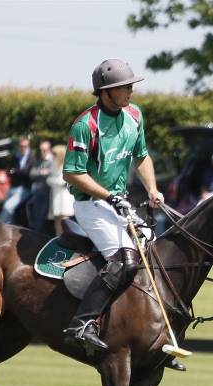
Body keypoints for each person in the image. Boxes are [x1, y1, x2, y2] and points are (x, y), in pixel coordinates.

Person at [61, 59, 164, 352]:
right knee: (123, 259)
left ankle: (148, 332)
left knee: (153, 251)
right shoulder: (85, 125)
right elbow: (72, 173)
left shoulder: (134, 115)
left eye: (131, 85)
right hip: (91, 205)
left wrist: (152, 189)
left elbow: (141, 156)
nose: (131, 91)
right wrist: (108, 195)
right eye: (125, 87)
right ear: (106, 91)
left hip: (119, 204)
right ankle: (82, 324)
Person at [0, 135, 36, 224]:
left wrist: (15, 171)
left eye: (25, 146)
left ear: (28, 146)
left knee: (8, 206)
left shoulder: (31, 158)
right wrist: (17, 172)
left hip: (24, 189)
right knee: (6, 208)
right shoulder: (16, 157)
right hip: (13, 187)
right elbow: (8, 171)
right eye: (21, 146)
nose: (23, 148)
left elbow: (26, 173)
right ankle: (7, 227)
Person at [27, 140, 55, 233]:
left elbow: (51, 174)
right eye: (40, 150)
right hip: (38, 192)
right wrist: (42, 172)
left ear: (49, 150)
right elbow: (31, 174)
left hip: (48, 193)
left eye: (44, 150)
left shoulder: (53, 161)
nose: (42, 152)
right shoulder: (38, 161)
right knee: (36, 216)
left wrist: (39, 173)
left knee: (41, 217)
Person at [47, 144, 73, 235]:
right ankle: (58, 236)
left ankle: (66, 237)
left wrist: (51, 181)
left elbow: (61, 182)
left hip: (64, 197)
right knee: (57, 218)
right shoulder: (54, 166)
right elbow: (49, 180)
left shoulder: (67, 166)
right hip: (56, 195)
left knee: (64, 217)